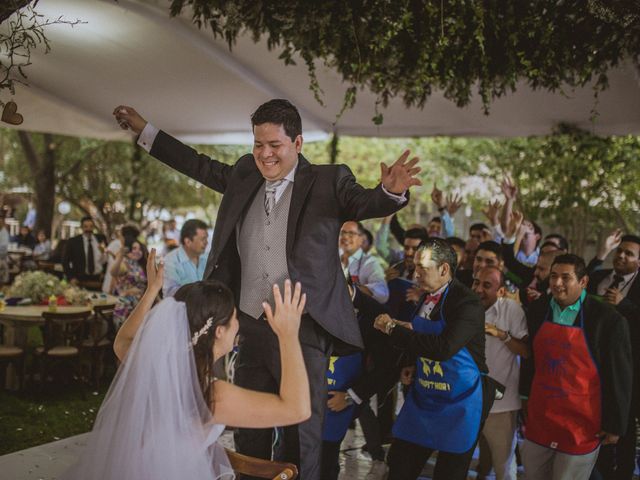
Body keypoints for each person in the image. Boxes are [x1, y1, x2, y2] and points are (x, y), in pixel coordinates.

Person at [113, 99, 420, 480]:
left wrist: (389, 193)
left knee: (301, 427)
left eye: (275, 145)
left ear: (298, 143)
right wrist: (146, 130)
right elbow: (197, 164)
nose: (264, 154)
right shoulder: (244, 172)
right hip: (250, 319)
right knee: (249, 428)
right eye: (258, 144)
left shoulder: (328, 180)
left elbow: (365, 202)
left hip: (303, 324)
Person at [60, 249, 311, 480]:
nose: (240, 324)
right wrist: (288, 334)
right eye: (235, 318)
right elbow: (297, 410)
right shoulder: (211, 395)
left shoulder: (157, 367)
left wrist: (151, 291)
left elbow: (122, 342)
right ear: (219, 332)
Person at [374, 238, 495, 480]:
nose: (416, 273)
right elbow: (421, 336)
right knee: (399, 464)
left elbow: (443, 347)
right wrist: (411, 362)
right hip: (426, 396)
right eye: (416, 266)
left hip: (462, 399)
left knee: (449, 473)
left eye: (423, 268)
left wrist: (393, 330)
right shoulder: (426, 295)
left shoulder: (467, 302)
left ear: (444, 269)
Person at [520, 254, 633, 480]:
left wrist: (615, 424)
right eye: (553, 276)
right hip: (541, 415)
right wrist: (524, 398)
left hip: (582, 422)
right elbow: (530, 360)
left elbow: (619, 376)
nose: (557, 283)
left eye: (566, 277)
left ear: (583, 282)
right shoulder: (537, 310)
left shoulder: (607, 320)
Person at [586, 231, 640, 480]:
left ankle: (624, 473)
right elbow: (578, 277)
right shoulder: (599, 276)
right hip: (593, 363)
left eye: (629, 253)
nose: (622, 256)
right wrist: (601, 253)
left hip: (629, 368)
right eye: (620, 251)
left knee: (623, 426)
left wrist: (624, 304)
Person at [472, 267, 529, 480]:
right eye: (476, 283)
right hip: (467, 400)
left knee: (503, 467)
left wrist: (501, 334)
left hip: (501, 404)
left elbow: (526, 351)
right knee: (462, 459)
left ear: (501, 291)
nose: (478, 289)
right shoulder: (465, 308)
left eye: (486, 285)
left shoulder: (511, 310)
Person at [340, 221, 389, 304]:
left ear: (361, 239)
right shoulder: (331, 258)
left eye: (351, 233)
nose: (345, 237)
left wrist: (353, 289)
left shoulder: (370, 263)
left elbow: (383, 293)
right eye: (342, 233)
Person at [163, 219, 209, 297]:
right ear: (188, 242)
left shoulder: (207, 257)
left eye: (206, 238)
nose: (207, 242)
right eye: (203, 239)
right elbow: (170, 294)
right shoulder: (170, 261)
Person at [111, 235, 148, 329]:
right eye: (134, 248)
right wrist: (120, 256)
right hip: (126, 306)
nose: (137, 251)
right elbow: (113, 272)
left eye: (140, 249)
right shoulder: (124, 263)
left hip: (140, 306)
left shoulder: (141, 265)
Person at [62, 216, 107, 284]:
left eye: (91, 226)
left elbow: (107, 257)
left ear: (94, 227)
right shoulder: (73, 242)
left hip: (99, 279)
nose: (88, 229)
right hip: (80, 279)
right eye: (86, 226)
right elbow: (65, 261)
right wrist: (71, 277)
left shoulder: (101, 239)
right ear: (82, 227)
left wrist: (104, 273)